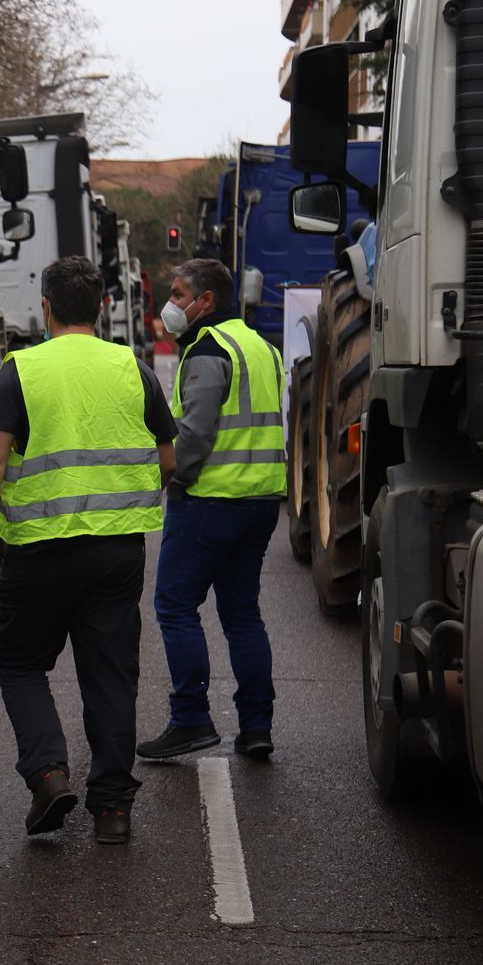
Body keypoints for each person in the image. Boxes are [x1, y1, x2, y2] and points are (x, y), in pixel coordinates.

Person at [0, 255, 177, 845]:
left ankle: (50, 773)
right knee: (110, 677)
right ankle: (112, 809)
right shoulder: (133, 369)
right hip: (116, 554)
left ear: (47, 307)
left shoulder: (20, 371)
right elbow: (166, 460)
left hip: (38, 551)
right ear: (105, 306)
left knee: (22, 662)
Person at [137, 259, 287, 762]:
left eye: (179, 295)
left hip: (208, 500)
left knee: (175, 607)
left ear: (206, 302)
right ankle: (256, 725)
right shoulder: (263, 347)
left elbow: (194, 435)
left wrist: (168, 482)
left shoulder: (208, 349)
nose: (171, 305)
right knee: (242, 613)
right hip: (262, 503)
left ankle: (191, 720)